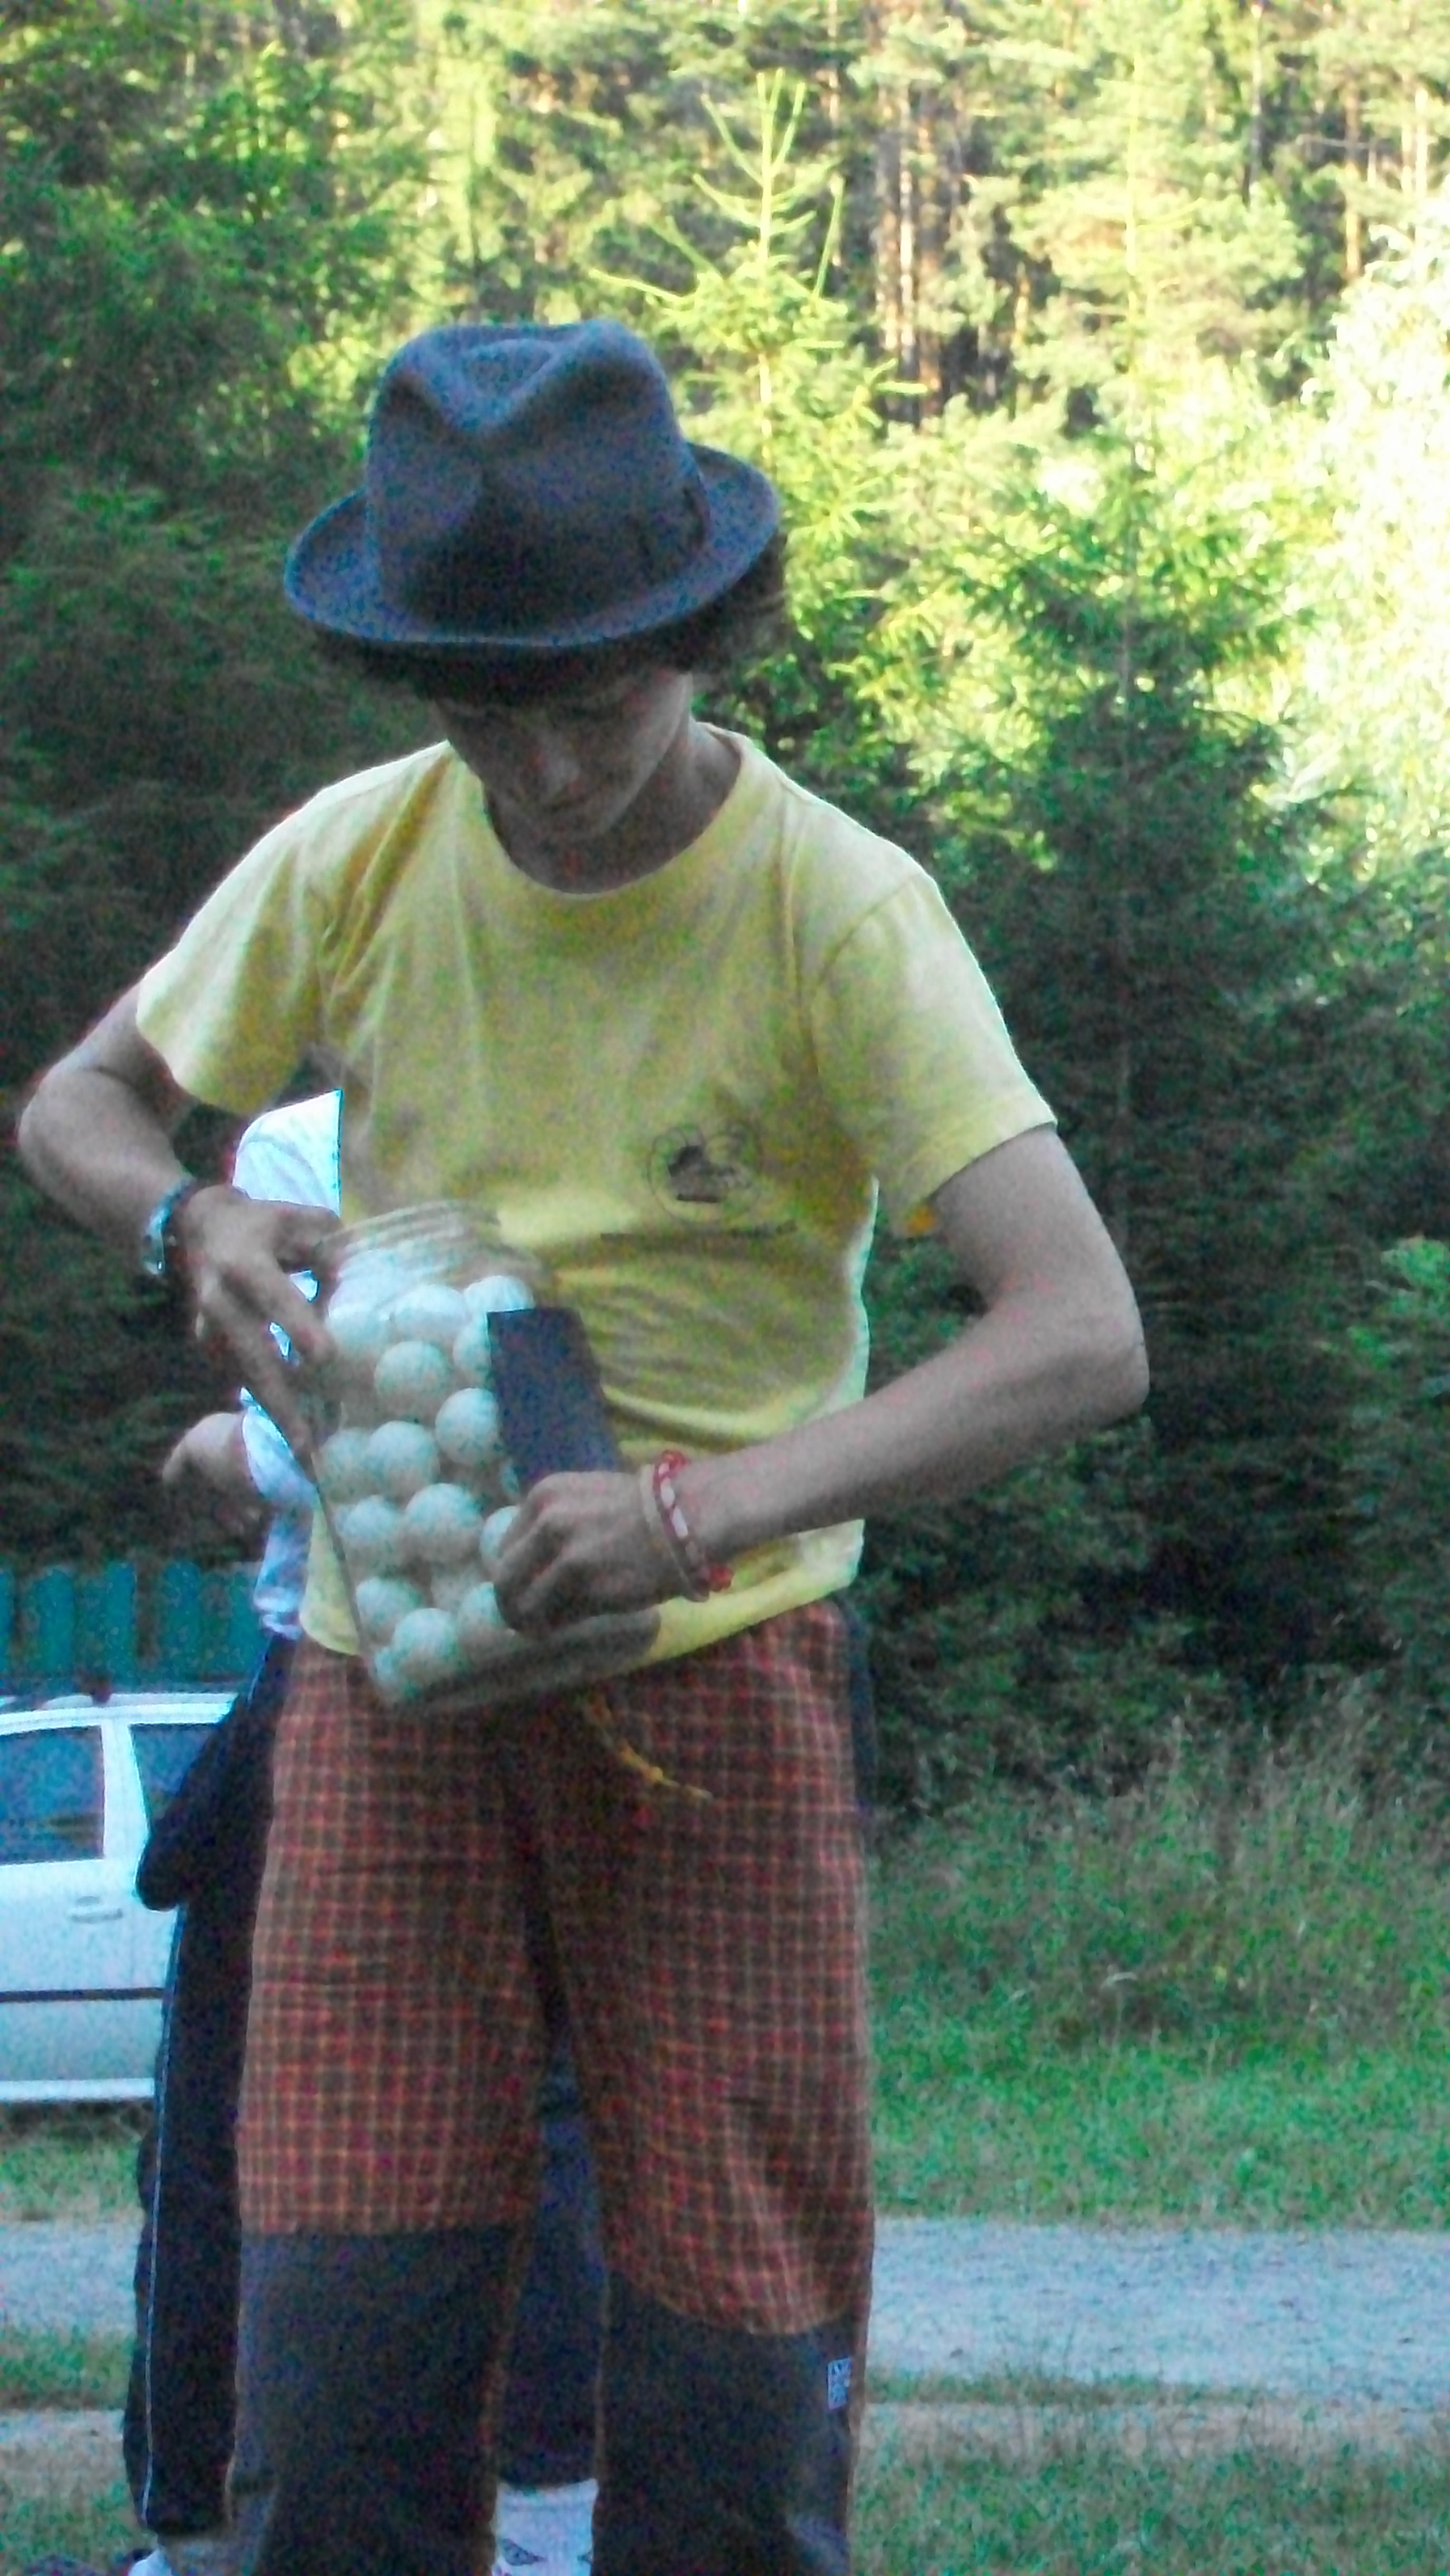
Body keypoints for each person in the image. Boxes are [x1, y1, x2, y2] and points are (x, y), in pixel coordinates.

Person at [16, 316, 1148, 2576]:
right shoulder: (351, 857)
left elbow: (1075, 1333)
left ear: (702, 642)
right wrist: (189, 1217)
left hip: (715, 1684)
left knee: (731, 2320)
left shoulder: (836, 908)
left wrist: (696, 1512)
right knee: (336, 2331)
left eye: (596, 710)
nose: (540, 774)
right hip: (387, 1678)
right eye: (480, 716)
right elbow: (81, 1104)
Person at [123, 1092, 603, 2576]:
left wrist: (223, 1445)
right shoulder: (575, 1106)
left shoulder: (303, 1142)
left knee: (242, 2108)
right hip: (563, 1665)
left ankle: (207, 2522)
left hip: (352, 1672)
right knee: (549, 2114)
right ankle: (542, 2514)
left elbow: (316, 1422)